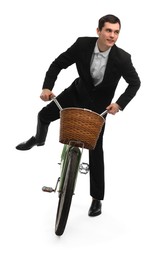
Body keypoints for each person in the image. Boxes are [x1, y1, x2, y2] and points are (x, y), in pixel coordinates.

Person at [16, 14, 141, 217]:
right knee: (43, 115)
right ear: (98, 31)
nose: (112, 36)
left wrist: (119, 104)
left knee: (96, 149)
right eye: (108, 30)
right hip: (76, 94)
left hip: (99, 107)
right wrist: (47, 88)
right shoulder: (82, 44)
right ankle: (38, 140)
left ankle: (97, 199)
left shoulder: (123, 58)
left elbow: (135, 83)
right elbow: (58, 63)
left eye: (116, 32)